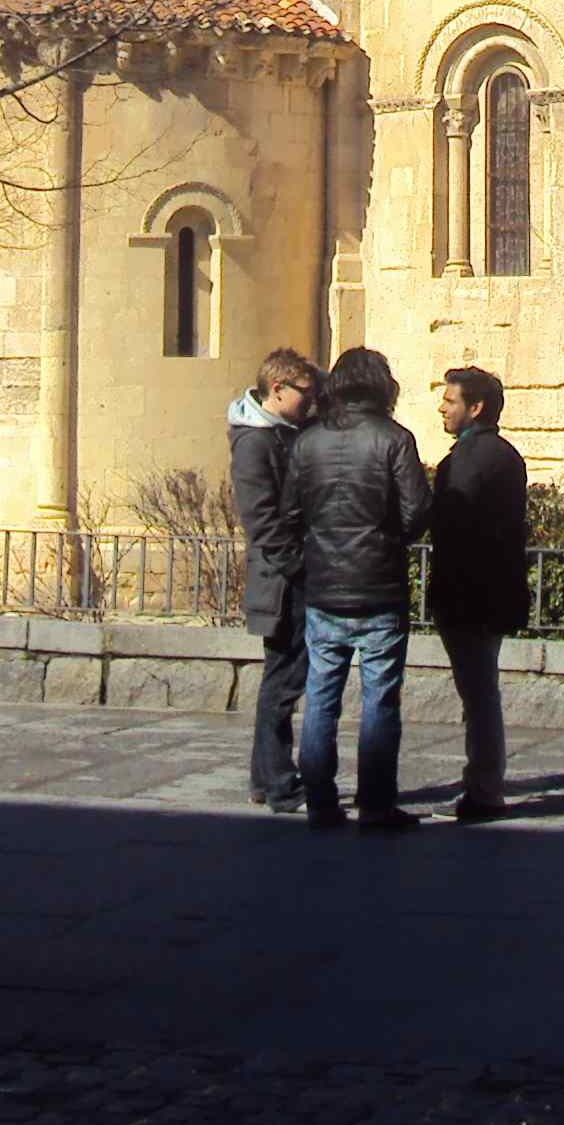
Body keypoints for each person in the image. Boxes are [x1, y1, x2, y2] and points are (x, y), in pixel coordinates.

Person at [284, 344, 433, 831]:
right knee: (380, 698)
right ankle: (375, 804)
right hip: (379, 586)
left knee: (321, 695)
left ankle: (321, 802)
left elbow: (289, 514)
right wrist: (388, 539)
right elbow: (417, 512)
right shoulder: (395, 439)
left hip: (325, 586)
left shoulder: (308, 442)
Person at [426, 363, 529, 822]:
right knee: (481, 691)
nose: (442, 409)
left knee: (479, 695)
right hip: (495, 592)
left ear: (476, 407)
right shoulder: (506, 455)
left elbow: (453, 526)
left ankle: (484, 790)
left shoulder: (466, 462)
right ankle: (484, 784)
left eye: (450, 401)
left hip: (469, 595)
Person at [225, 345, 319, 814]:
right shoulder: (256, 443)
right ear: (278, 388)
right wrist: (300, 567)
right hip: (282, 584)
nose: (312, 401)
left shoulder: (280, 434)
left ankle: (266, 779)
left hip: (283, 577)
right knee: (283, 684)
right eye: (306, 392)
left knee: (280, 682)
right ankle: (280, 783)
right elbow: (261, 520)